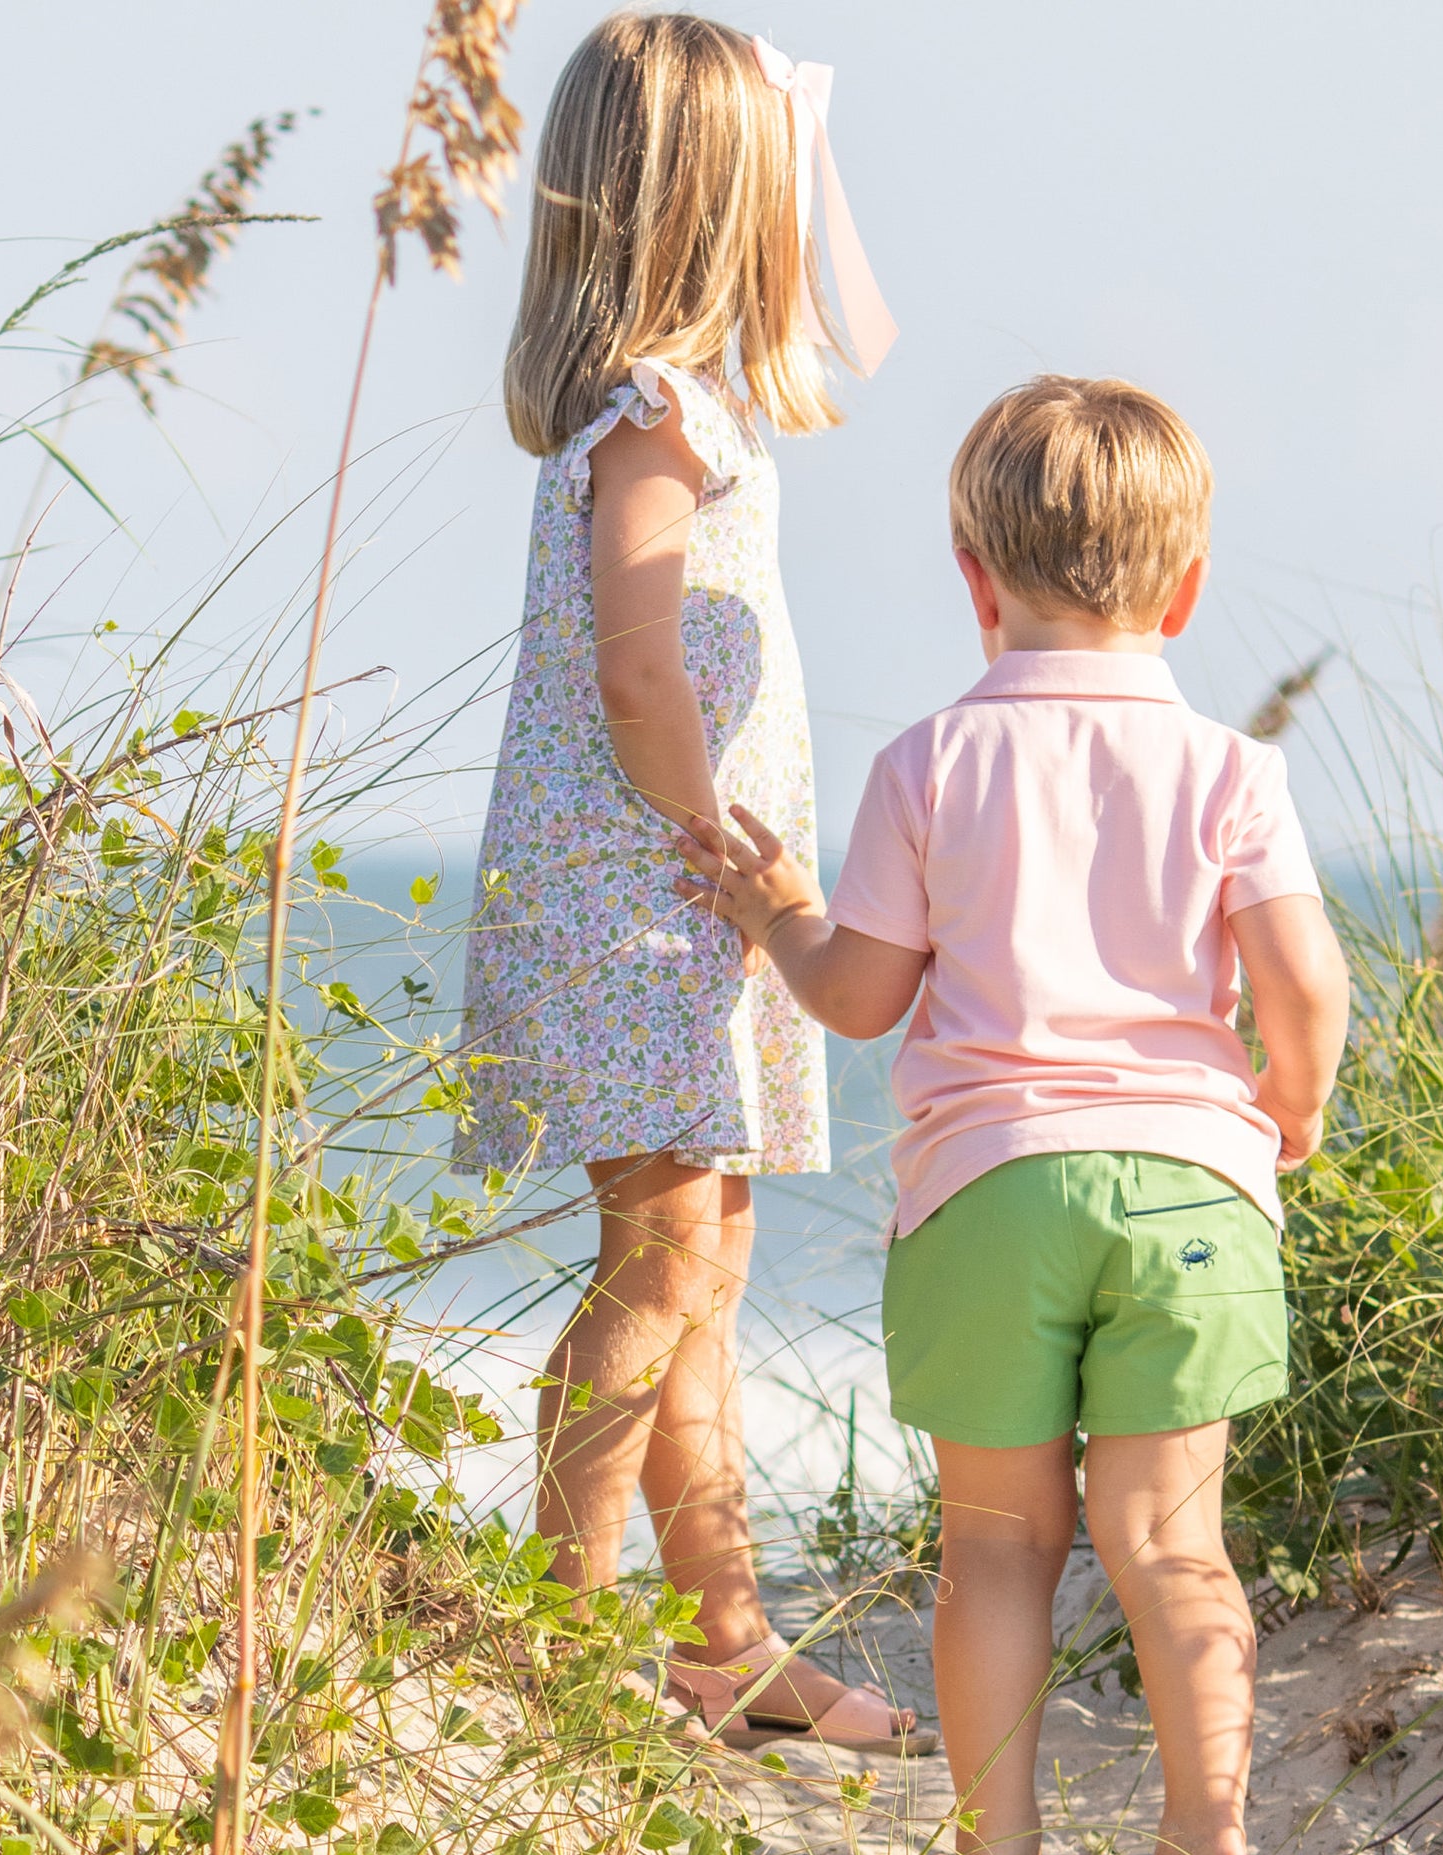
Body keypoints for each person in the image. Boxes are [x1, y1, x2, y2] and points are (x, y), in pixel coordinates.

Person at [676, 374, 1351, 1855]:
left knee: (993, 1546)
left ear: (973, 582)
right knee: (1172, 1537)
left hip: (986, 1190)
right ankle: (1206, 1843)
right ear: (1185, 587)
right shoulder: (1233, 773)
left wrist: (774, 908)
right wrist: (1291, 1099)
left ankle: (993, 1851)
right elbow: (1305, 983)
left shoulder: (930, 762)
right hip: (1190, 1183)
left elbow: (855, 997)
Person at [458, 10, 929, 1758]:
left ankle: (723, 1636)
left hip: (679, 909)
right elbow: (640, 666)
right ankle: (565, 1638)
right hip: (645, 902)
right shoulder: (655, 417)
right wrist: (718, 835)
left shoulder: (687, 405)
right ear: (715, 207)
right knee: (655, 1272)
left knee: (709, 1266)